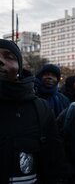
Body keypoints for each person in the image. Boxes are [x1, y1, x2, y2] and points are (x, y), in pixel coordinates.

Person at [0, 39, 71, 183]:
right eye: (46, 74)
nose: (0, 61)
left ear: (19, 68)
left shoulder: (41, 109)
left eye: (9, 57)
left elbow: (54, 164)